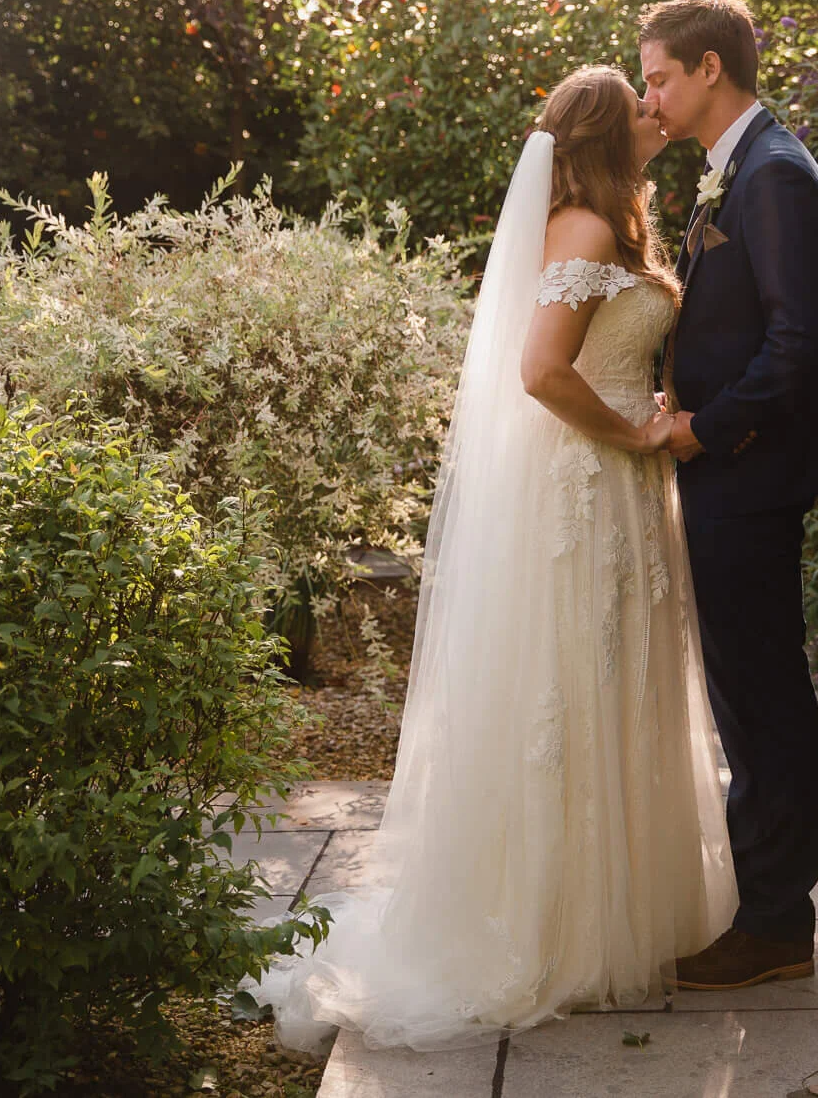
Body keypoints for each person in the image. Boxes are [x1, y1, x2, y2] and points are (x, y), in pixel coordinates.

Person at [248, 66, 736, 1052]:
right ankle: (554, 927)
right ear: (605, 139)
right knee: (573, 688)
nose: (656, 110)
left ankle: (618, 910)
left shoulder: (615, 225)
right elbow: (541, 371)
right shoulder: (585, 231)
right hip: (586, 484)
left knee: (616, 686)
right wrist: (633, 436)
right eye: (638, 105)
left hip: (622, 492)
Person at [637, 0, 818, 991]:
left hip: (747, 471)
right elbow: (741, 328)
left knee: (760, 694)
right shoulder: (743, 168)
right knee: (745, 690)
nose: (650, 96)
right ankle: (765, 904)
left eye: (659, 78)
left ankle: (775, 921)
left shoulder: (772, 177)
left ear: (710, 70)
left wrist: (703, 427)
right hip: (732, 467)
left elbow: (798, 347)